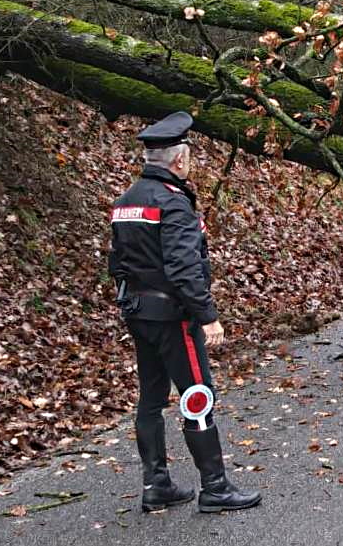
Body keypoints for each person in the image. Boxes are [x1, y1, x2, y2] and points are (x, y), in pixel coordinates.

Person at [109, 111, 261, 513]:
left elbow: (117, 262)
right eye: (188, 155)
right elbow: (182, 267)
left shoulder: (126, 201)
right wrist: (207, 314)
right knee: (198, 394)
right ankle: (215, 488)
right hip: (174, 317)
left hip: (138, 312)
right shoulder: (173, 204)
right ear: (178, 160)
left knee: (151, 398)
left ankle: (156, 485)